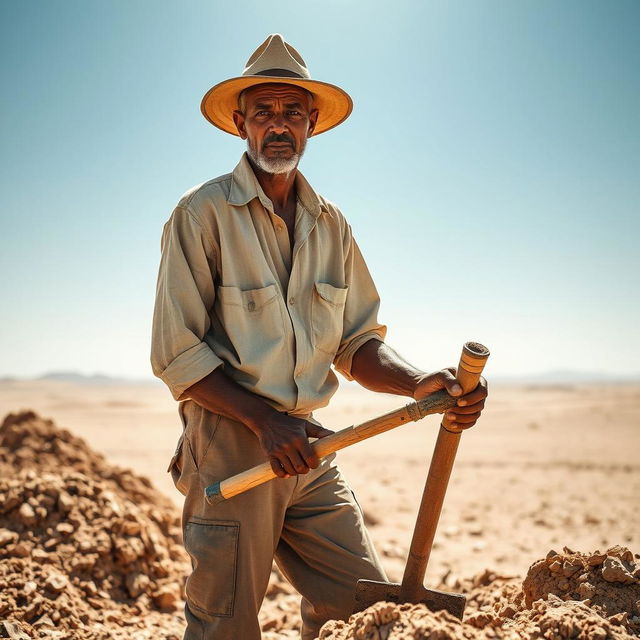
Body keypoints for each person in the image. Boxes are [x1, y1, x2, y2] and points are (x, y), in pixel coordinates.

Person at [151, 34, 488, 640]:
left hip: (310, 447)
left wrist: (419, 383)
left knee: (363, 606)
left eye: (291, 113)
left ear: (311, 124)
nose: (277, 126)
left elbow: (356, 342)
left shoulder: (332, 225)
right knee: (224, 623)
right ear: (240, 123)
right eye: (263, 112)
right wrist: (263, 421)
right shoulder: (200, 215)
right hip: (232, 442)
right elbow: (177, 352)